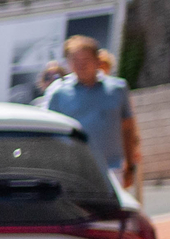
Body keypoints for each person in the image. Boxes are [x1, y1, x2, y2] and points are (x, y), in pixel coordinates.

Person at [42, 37, 142, 187]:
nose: (81, 65)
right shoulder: (58, 93)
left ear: (97, 61)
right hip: (74, 171)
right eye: (75, 61)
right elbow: (49, 136)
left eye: (85, 60)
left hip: (113, 168)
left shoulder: (117, 89)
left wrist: (130, 165)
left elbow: (128, 128)